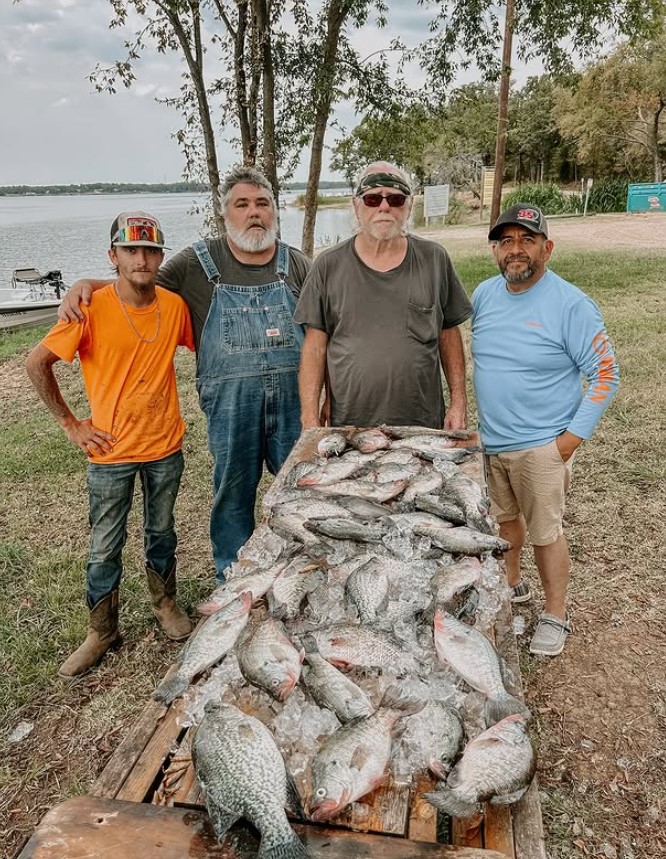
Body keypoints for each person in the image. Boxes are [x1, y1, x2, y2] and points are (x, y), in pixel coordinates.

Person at [58, 167, 310, 583]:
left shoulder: (297, 263)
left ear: (274, 211)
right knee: (233, 493)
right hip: (231, 409)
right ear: (224, 213)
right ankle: (235, 579)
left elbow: (322, 333)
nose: (254, 213)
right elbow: (140, 282)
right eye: (242, 204)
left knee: (299, 491)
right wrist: (86, 283)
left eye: (262, 204)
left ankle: (303, 571)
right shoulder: (197, 263)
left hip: (294, 404)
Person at [26, 212, 195, 678]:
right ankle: (101, 630)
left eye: (151, 250)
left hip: (164, 445)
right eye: (131, 250)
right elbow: (37, 363)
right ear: (114, 255)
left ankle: (164, 604)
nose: (142, 259)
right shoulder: (90, 307)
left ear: (160, 256)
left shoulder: (174, 307)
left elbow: (207, 345)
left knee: (161, 531)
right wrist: (70, 424)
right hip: (110, 453)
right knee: (105, 545)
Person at [472, 203, 620, 657]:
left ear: (547, 248)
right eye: (506, 241)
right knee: (503, 527)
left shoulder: (571, 304)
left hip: (541, 447)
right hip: (490, 443)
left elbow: (606, 375)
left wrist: (568, 442)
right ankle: (512, 589)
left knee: (545, 534)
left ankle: (556, 614)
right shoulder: (483, 295)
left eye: (527, 239)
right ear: (496, 250)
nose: (516, 250)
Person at [295, 162, 472, 430]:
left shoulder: (434, 259)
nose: (384, 206)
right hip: (350, 425)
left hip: (422, 423)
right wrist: (309, 417)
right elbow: (316, 346)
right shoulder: (328, 265)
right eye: (373, 198)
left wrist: (458, 403)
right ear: (357, 206)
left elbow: (449, 333)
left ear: (409, 207)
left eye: (396, 198)